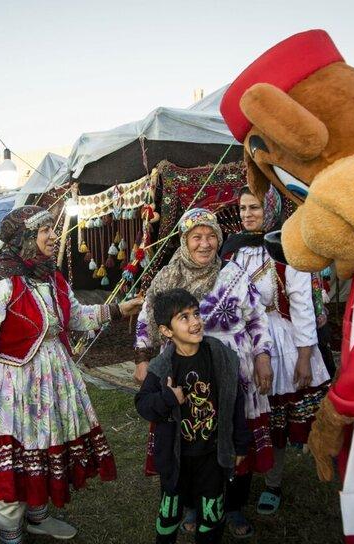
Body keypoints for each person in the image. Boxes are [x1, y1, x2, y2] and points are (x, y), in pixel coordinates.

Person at [0, 205, 143, 544]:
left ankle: (38, 517)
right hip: (11, 385)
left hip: (51, 383)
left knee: (42, 449)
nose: (52, 235)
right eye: (44, 231)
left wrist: (117, 310)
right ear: (26, 238)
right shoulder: (0, 284)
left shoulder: (50, 276)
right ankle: (11, 534)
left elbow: (76, 318)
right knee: (12, 461)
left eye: (50, 229)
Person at [134, 207, 273, 539]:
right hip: (182, 369)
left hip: (230, 368)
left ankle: (233, 506)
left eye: (211, 236)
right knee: (189, 438)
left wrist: (263, 355)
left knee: (233, 434)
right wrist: (142, 358)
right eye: (196, 236)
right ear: (184, 240)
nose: (205, 243)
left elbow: (256, 317)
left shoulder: (234, 274)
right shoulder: (168, 278)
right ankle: (192, 505)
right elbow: (146, 317)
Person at [220, 185, 331, 515]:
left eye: (254, 207)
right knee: (245, 416)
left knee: (275, 419)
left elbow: (301, 307)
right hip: (241, 342)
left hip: (279, 339)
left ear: (270, 208)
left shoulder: (286, 248)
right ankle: (241, 474)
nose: (247, 215)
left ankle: (273, 481)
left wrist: (306, 356)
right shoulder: (232, 249)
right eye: (242, 209)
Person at [135, 288, 251, 544]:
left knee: (211, 514)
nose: (196, 321)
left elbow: (235, 399)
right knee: (170, 513)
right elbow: (142, 404)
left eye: (196, 314)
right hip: (176, 459)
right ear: (166, 331)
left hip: (212, 455)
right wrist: (168, 398)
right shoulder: (161, 367)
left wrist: (241, 443)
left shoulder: (219, 356)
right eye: (184, 318)